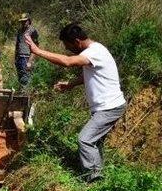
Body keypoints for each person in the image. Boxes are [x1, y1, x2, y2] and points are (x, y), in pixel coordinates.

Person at [24, 23, 126, 182]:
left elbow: (67, 61)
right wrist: (71, 84)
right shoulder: (93, 51)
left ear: (77, 41)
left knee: (85, 139)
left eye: (68, 46)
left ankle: (94, 179)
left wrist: (37, 51)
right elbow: (91, 74)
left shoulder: (95, 52)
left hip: (110, 107)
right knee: (95, 142)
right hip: (106, 107)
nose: (68, 49)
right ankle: (99, 174)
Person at [15, 13, 39, 90]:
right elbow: (17, 45)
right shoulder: (19, 31)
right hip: (19, 58)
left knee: (26, 79)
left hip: (27, 57)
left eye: (25, 21)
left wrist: (30, 61)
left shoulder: (33, 31)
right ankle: (20, 96)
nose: (23, 23)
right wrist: (15, 58)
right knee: (20, 79)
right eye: (22, 21)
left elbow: (36, 48)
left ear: (29, 21)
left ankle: (25, 97)